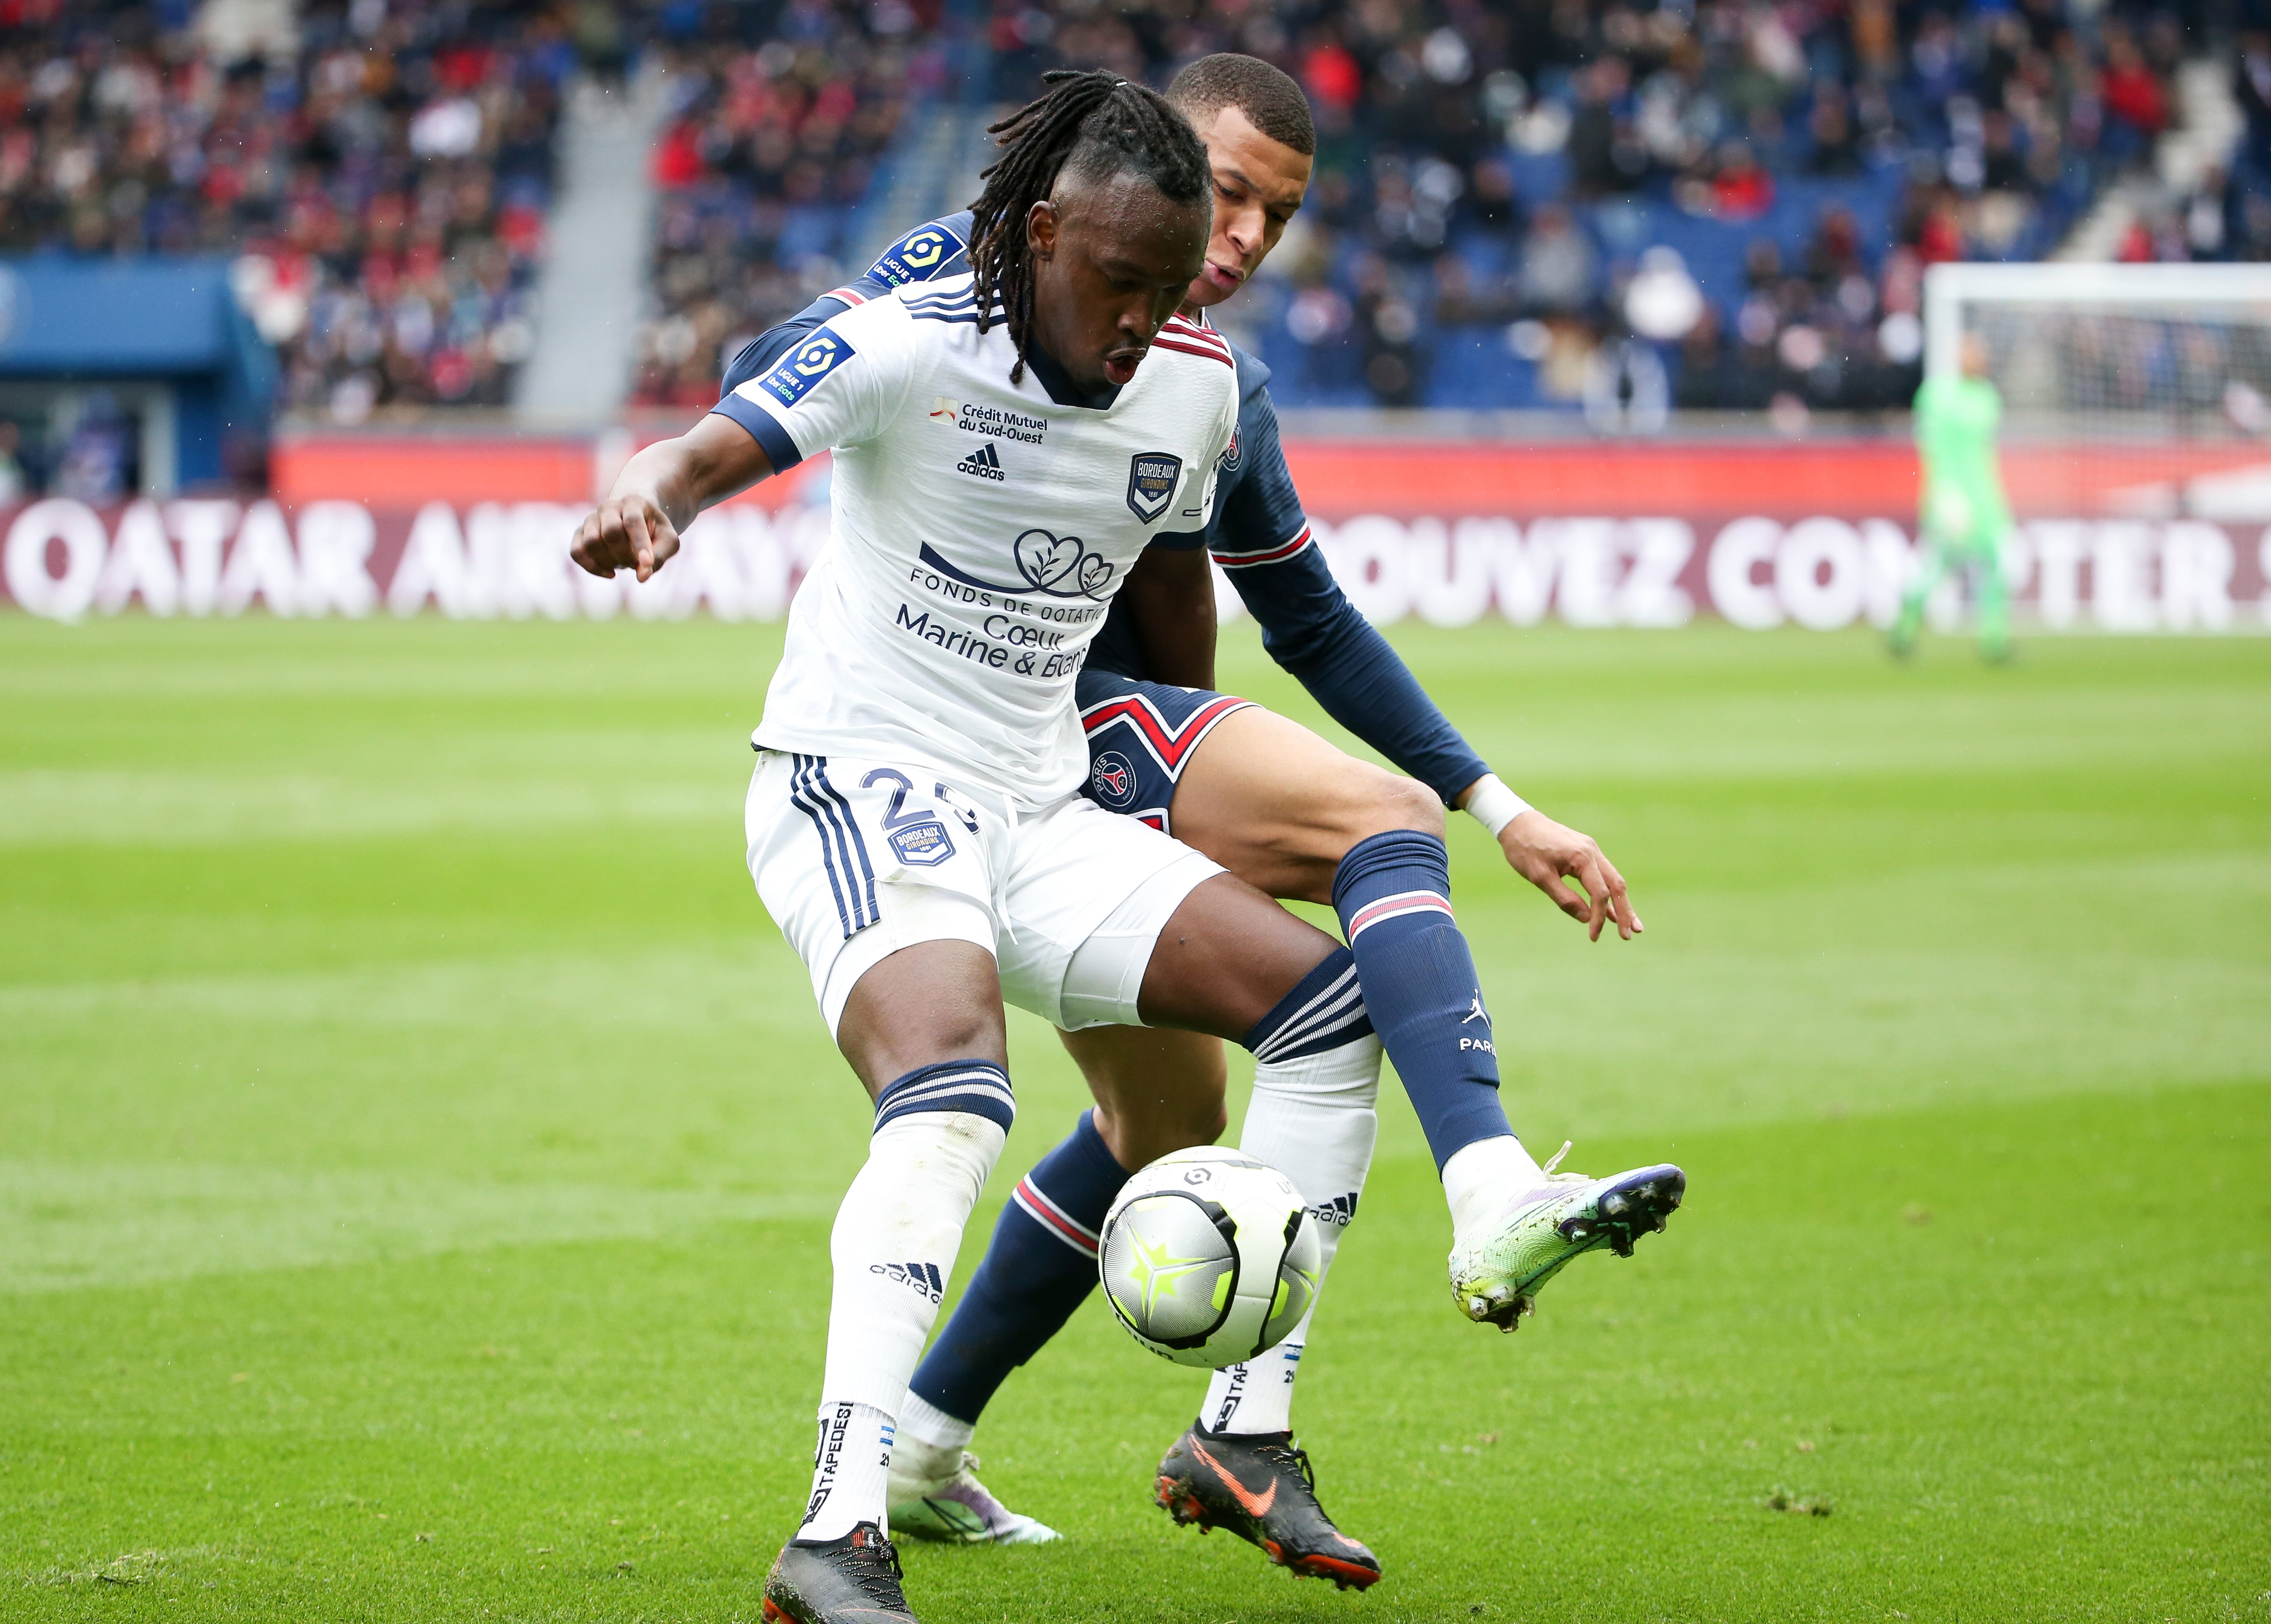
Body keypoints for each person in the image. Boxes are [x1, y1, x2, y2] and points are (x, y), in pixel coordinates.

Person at [719, 55, 1683, 1590]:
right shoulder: (973, 282)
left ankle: (933, 1438)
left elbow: (1302, 610)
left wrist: (1499, 801)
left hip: (1096, 756)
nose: (1238, 237)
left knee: (1165, 1124)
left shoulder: (1203, 376)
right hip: (1017, 730)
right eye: (1223, 192)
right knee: (1370, 825)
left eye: (1273, 217)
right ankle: (1475, 1195)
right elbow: (784, 370)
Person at [1892, 331, 2013, 661]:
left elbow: (1985, 453)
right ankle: (1904, 628)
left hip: (1986, 497)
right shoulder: (1938, 395)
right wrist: (1944, 493)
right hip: (1950, 495)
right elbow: (1930, 449)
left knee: (1999, 563)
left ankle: (1994, 637)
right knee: (1937, 565)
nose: (1977, 358)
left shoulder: (1988, 396)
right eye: (1970, 351)